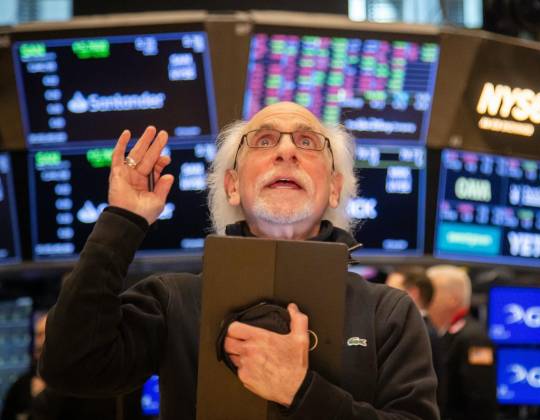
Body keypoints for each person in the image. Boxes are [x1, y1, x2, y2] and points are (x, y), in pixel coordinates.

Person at [39, 102, 439, 419]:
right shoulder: (175, 300)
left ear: (334, 189)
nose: (286, 151)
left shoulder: (387, 312)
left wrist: (301, 392)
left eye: (307, 142)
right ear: (232, 186)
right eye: (264, 141)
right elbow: (69, 366)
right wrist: (122, 220)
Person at [2, 314, 145, 420]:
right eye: (37, 335)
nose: (39, 342)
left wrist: (44, 395)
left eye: (45, 334)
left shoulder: (80, 380)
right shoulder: (21, 386)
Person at [426, 265, 496, 420]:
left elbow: (481, 400)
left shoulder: (474, 339)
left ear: (452, 300)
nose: (426, 300)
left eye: (431, 293)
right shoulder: (444, 334)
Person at [385, 267, 446, 409]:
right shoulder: (430, 330)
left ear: (413, 293)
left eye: (389, 291)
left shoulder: (419, 333)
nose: (383, 298)